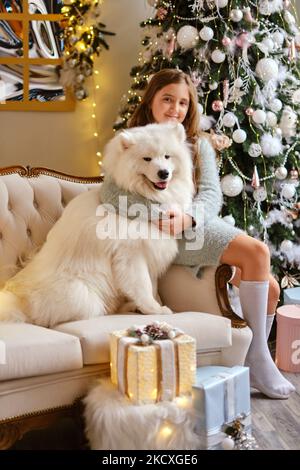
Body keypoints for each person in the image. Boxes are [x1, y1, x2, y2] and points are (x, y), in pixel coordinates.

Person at [101, 68, 295, 399]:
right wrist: (163, 217)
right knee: (258, 253)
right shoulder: (132, 140)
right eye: (167, 100)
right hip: (163, 236)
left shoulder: (198, 144)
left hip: (195, 225)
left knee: (273, 289)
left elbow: (210, 195)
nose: (175, 109)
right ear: (150, 102)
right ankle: (260, 361)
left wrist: (188, 217)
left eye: (182, 103)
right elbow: (110, 195)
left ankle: (254, 361)